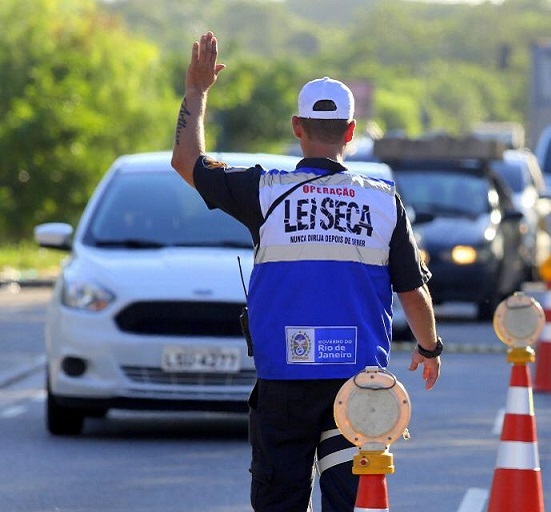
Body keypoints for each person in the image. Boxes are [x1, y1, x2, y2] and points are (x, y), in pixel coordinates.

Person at [169, 32, 443, 512]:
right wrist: (429, 347)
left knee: (280, 502)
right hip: (358, 388)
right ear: (351, 132)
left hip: (284, 384)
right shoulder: (382, 201)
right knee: (350, 505)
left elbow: (186, 161)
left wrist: (197, 91)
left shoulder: (265, 190)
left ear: (298, 126)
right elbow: (412, 291)